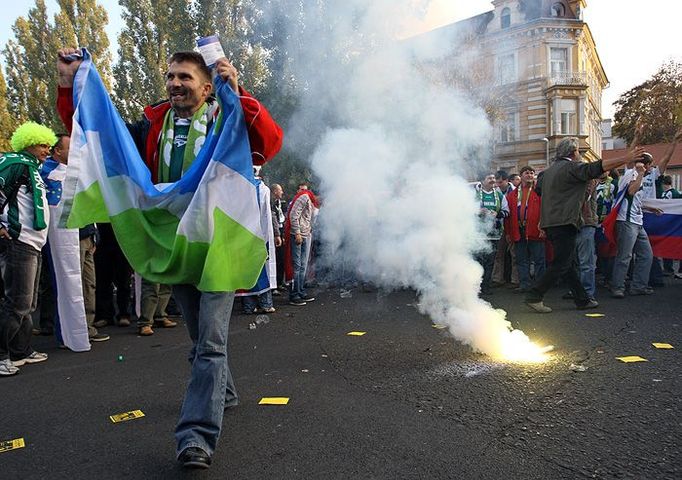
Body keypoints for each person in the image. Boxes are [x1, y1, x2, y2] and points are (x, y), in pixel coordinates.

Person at [57, 47, 283, 468]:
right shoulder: (152, 125)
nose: (176, 84)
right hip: (173, 243)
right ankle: (224, 392)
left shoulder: (224, 116)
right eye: (170, 77)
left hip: (218, 243)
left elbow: (269, 141)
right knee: (200, 339)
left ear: (204, 85)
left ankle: (195, 436)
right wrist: (71, 83)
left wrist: (238, 91)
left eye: (185, 77)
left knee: (211, 341)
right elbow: (98, 133)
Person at [524, 137, 644, 313]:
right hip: (565, 221)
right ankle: (534, 295)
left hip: (551, 223)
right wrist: (626, 158)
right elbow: (596, 167)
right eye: (579, 152)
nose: (580, 155)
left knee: (567, 262)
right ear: (573, 153)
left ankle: (582, 299)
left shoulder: (547, 173)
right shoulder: (572, 167)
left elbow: (540, 191)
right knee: (562, 263)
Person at [0, 122, 56, 376]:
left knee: (28, 302)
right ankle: (2, 356)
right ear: (28, 142)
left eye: (49, 144)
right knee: (17, 303)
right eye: (42, 144)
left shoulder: (32, 167)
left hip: (34, 243)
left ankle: (21, 351)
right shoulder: (14, 163)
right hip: (18, 241)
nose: (47, 149)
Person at [504, 166, 544, 293]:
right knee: (521, 260)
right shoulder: (513, 195)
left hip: (536, 231)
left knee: (539, 260)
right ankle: (525, 284)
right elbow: (508, 216)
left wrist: (544, 227)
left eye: (532, 173)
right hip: (519, 230)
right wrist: (508, 233)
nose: (530, 175)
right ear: (521, 176)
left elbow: (546, 211)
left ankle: (540, 286)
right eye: (527, 173)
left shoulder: (539, 192)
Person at [475, 172, 510, 295]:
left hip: (494, 234)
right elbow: (464, 209)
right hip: (477, 234)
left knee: (490, 261)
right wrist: (478, 211)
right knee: (478, 260)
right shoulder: (474, 194)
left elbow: (506, 211)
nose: (493, 180)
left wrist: (498, 214)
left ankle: (486, 287)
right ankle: (475, 287)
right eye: (489, 178)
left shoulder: (499, 195)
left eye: (494, 178)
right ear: (482, 180)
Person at [284, 184, 319, 305]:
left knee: (303, 266)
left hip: (306, 234)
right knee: (298, 266)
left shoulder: (311, 200)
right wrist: (298, 233)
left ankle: (300, 292)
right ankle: (294, 295)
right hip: (298, 235)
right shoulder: (304, 197)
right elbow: (293, 215)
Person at [492, 169, 518, 287]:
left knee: (514, 254)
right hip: (500, 228)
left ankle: (515, 280)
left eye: (500, 182)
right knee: (499, 254)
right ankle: (497, 279)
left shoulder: (516, 191)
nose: (498, 184)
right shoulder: (495, 192)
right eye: (496, 182)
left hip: (514, 226)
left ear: (507, 181)